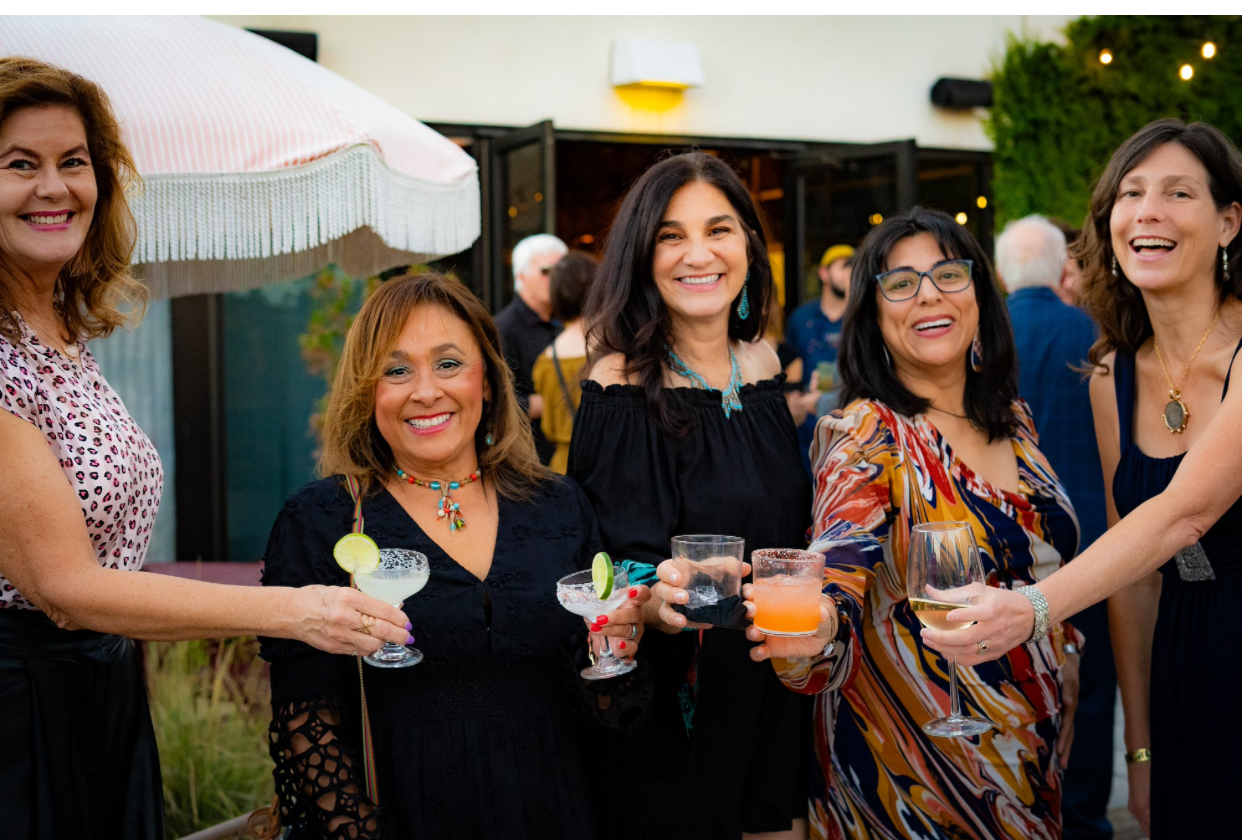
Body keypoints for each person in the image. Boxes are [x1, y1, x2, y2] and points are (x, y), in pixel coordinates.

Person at [0, 57, 411, 840]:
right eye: (20, 164)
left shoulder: (58, 332)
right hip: (23, 712)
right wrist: (296, 610)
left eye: (73, 162)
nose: (54, 187)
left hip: (97, 692)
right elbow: (65, 588)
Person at [926, 119, 1242, 839]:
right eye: (1131, 193)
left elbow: (1181, 517)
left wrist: (1030, 608)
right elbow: (1138, 574)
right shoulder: (1111, 374)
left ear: (1229, 222)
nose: (1148, 212)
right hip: (1185, 658)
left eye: (1178, 193)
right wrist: (1141, 749)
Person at [259, 271, 652, 839]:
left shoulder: (558, 505)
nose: (425, 391)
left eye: (448, 363)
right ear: (368, 392)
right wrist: (360, 832)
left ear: (487, 381)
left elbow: (599, 706)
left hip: (554, 810)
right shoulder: (323, 520)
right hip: (403, 814)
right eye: (397, 370)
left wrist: (617, 650)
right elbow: (307, 718)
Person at [739, 207, 1081, 840]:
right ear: (873, 316)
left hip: (1030, 758)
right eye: (900, 282)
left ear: (980, 296)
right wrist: (815, 624)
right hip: (911, 779)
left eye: (949, 274)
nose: (928, 294)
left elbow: (1041, 564)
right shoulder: (866, 435)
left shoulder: (1014, 419)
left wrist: (1063, 654)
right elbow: (839, 563)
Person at [568, 152, 813, 840]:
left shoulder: (763, 362)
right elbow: (602, 564)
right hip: (679, 705)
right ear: (641, 256)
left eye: (719, 229)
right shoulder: (619, 381)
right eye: (671, 236)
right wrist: (657, 598)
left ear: (748, 247)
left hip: (774, 677)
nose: (698, 254)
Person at [995, 214, 1115, 840]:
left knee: (1011, 682)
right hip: (1097, 542)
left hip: (1011, 545)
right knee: (1090, 690)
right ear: (1063, 269)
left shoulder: (981, 337)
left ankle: (1019, 808)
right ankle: (1085, 817)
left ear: (1000, 273)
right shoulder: (1096, 334)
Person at [494, 232, 566, 465]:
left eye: (561, 271)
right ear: (521, 275)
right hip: (528, 462)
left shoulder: (565, 323)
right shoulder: (503, 328)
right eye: (546, 271)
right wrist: (545, 402)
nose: (555, 279)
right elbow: (492, 402)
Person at [785, 245, 853, 474]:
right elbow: (789, 368)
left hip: (849, 430)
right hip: (805, 433)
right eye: (844, 266)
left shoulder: (861, 320)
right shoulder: (801, 318)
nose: (849, 273)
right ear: (824, 273)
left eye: (854, 268)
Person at [532, 250, 596, 474]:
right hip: (603, 467)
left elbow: (548, 425)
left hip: (563, 470)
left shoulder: (546, 359)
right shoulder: (614, 348)